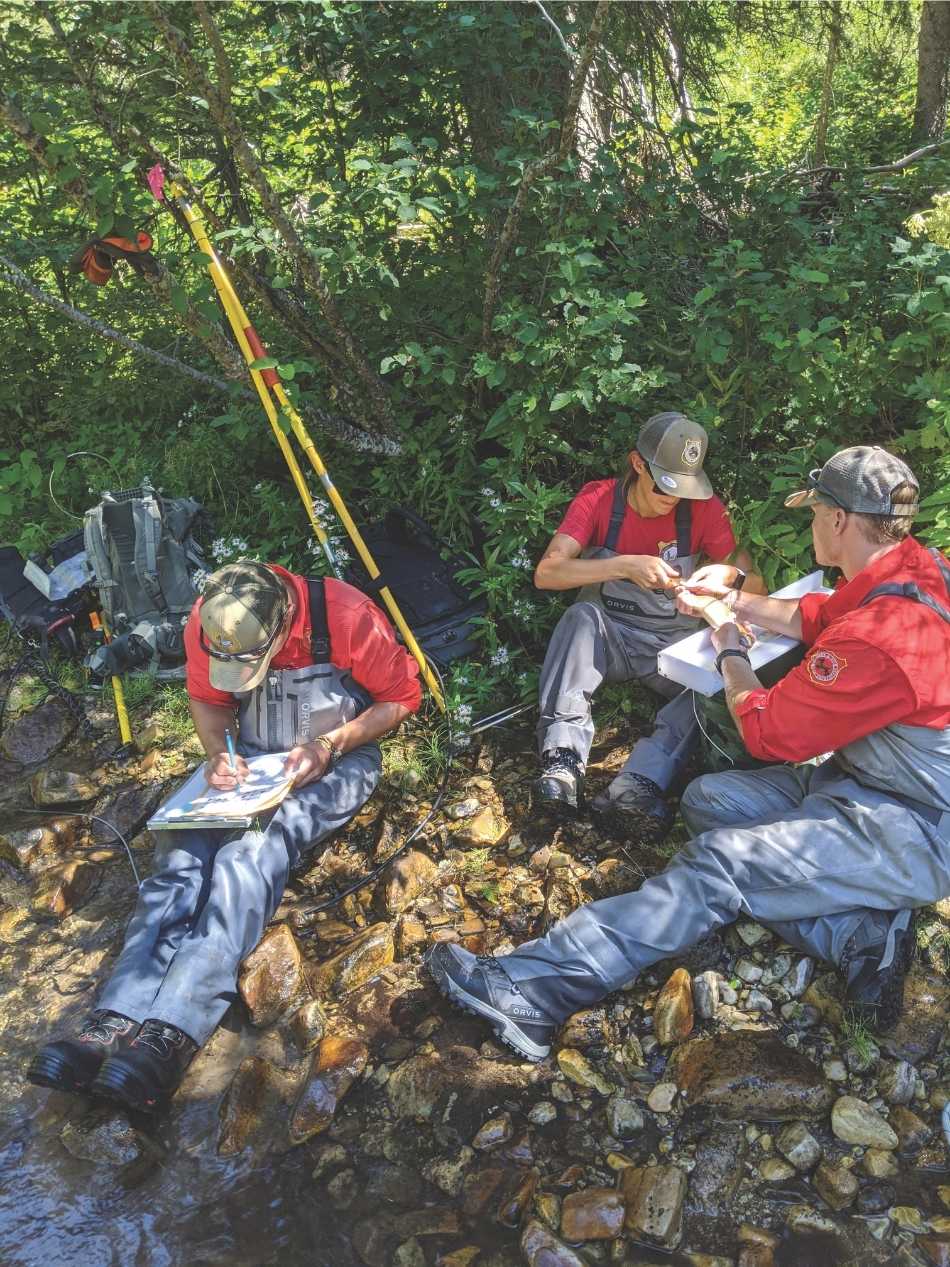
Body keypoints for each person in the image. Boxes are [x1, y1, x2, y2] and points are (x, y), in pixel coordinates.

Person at [428, 446, 950, 1061]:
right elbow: (816, 617)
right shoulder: (916, 570)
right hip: (865, 785)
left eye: (815, 511)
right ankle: (859, 933)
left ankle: (536, 989)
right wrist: (730, 598)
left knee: (720, 863)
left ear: (838, 519)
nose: (812, 521)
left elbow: (767, 731)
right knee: (710, 800)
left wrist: (728, 645)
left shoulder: (881, 638)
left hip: (913, 823)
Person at [29, 559, 421, 1109]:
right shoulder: (211, 618)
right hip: (249, 760)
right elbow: (209, 701)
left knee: (249, 854)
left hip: (340, 760)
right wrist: (218, 754)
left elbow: (401, 697)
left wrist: (329, 745)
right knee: (179, 855)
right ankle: (114, 1018)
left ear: (284, 623)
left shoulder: (348, 616)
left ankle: (172, 1031)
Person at [535, 410, 760, 840]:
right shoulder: (599, 500)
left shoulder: (706, 510)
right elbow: (547, 573)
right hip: (611, 636)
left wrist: (730, 576)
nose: (672, 498)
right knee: (579, 618)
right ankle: (562, 762)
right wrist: (623, 566)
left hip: (675, 645)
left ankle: (638, 784)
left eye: (683, 488)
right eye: (664, 486)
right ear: (638, 464)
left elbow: (754, 580)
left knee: (714, 679)